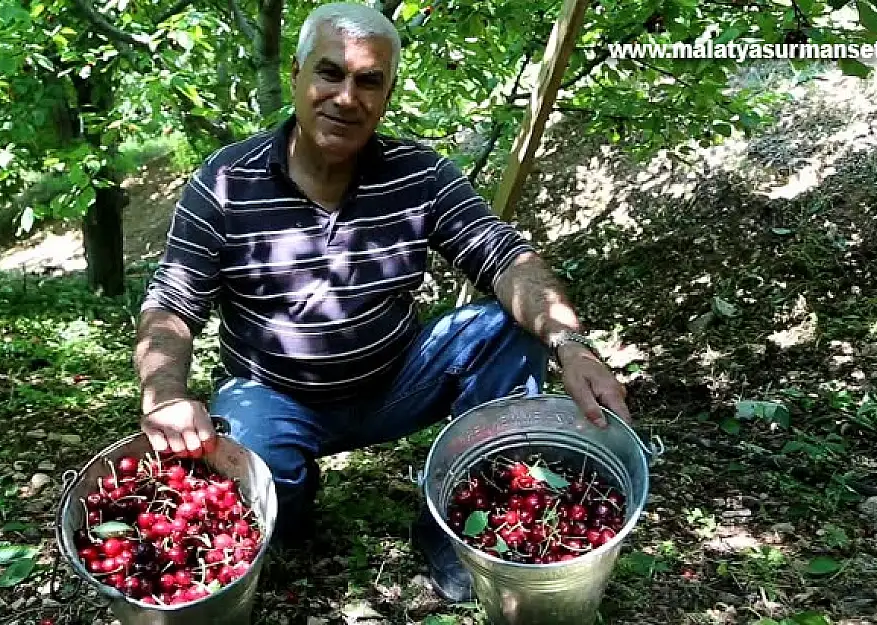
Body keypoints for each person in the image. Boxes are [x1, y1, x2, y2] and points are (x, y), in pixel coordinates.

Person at [132, 1, 631, 603]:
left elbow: (504, 258)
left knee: (508, 329)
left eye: (369, 81)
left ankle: (455, 530)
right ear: (297, 74)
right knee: (267, 491)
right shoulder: (226, 181)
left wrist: (573, 346)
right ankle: (291, 492)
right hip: (275, 393)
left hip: (396, 380)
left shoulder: (418, 173)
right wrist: (165, 394)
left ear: (388, 93)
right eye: (330, 73)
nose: (346, 97)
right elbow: (173, 300)